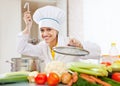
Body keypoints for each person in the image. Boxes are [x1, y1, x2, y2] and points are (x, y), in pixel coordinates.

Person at [17, 5, 101, 66]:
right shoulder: (43, 47)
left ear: (57, 30)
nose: (45, 34)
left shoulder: (69, 42)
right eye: (42, 30)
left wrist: (80, 46)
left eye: (49, 29)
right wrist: (27, 27)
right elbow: (22, 49)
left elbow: (97, 51)